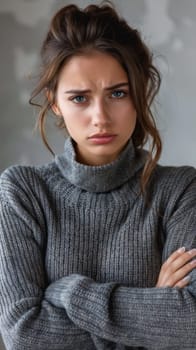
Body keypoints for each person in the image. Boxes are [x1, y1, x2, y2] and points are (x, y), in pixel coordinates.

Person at [0, 2, 196, 350]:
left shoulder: (180, 190)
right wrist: (152, 309)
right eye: (79, 98)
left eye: (117, 93)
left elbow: (191, 322)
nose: (100, 117)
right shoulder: (23, 192)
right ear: (55, 102)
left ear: (139, 94)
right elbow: (23, 334)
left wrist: (70, 292)